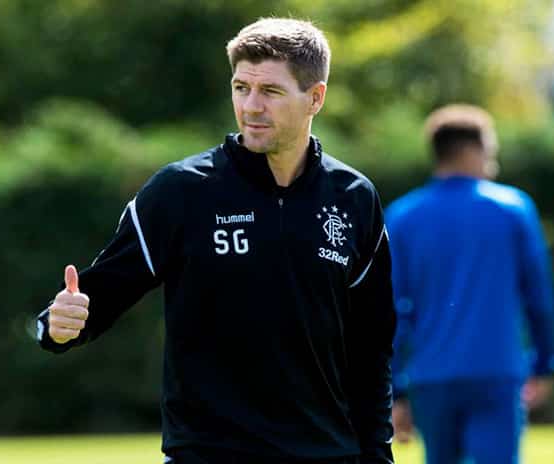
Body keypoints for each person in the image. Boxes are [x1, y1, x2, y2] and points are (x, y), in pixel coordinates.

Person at [34, 18, 396, 464]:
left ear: (315, 98)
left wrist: (377, 455)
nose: (251, 106)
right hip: (210, 454)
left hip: (326, 455)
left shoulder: (354, 198)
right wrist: (59, 322)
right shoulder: (181, 191)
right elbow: (100, 293)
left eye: (271, 91)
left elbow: (371, 348)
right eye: (241, 87)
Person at [385, 104, 554, 464]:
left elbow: (391, 311)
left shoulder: (402, 216)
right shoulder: (512, 208)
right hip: (495, 372)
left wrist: (395, 391)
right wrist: (545, 363)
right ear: (472, 150)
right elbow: (538, 296)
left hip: (430, 377)